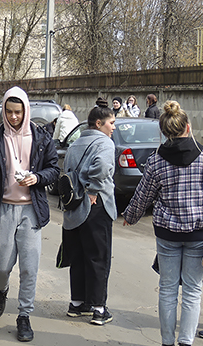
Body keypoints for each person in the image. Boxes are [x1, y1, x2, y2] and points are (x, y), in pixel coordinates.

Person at [123, 100, 203, 346]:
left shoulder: (157, 161)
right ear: (188, 128)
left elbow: (144, 195)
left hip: (167, 232)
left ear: (164, 133)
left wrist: (130, 216)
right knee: (193, 291)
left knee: (168, 289)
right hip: (198, 232)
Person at [0, 86, 59, 342]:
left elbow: (54, 170)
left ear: (25, 111)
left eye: (17, 112)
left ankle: (24, 315)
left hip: (31, 210)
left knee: (29, 266)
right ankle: (1, 289)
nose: (13, 117)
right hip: (4, 207)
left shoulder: (41, 137)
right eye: (9, 112)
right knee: (1, 264)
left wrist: (37, 177)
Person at [61, 98, 117, 326]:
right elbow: (102, 168)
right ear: (98, 123)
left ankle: (77, 303)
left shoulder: (75, 144)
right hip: (96, 205)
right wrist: (93, 189)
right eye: (111, 123)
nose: (113, 127)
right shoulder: (105, 144)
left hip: (74, 209)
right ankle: (98, 308)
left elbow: (66, 171)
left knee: (79, 256)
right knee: (98, 257)